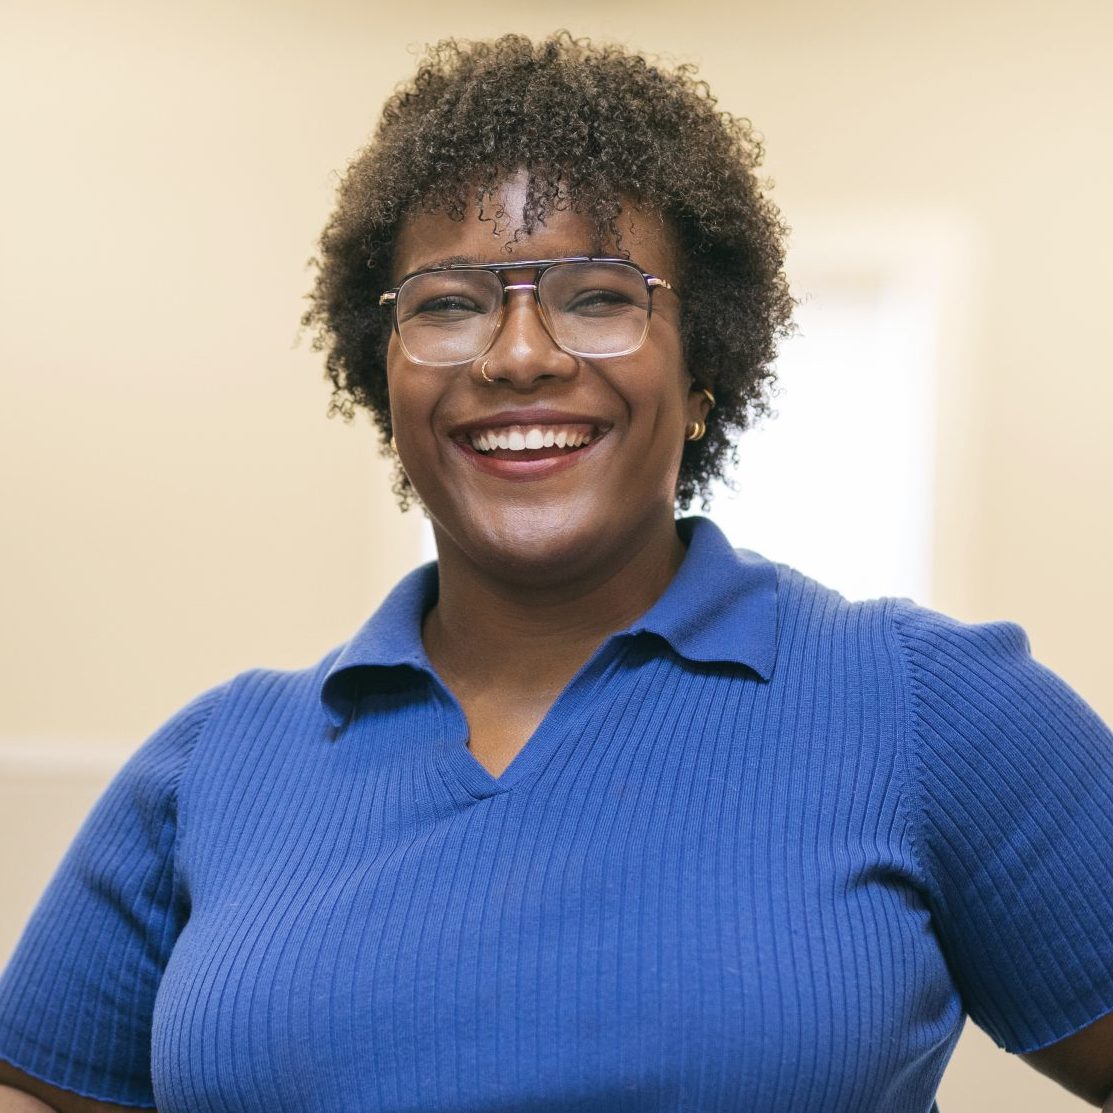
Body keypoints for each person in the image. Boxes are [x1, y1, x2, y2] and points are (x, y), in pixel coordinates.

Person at [1, 31, 1111, 1113]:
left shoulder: (928, 710)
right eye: (447, 304)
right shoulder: (215, 765)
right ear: (379, 378)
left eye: (598, 296)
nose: (520, 353)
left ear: (705, 364)